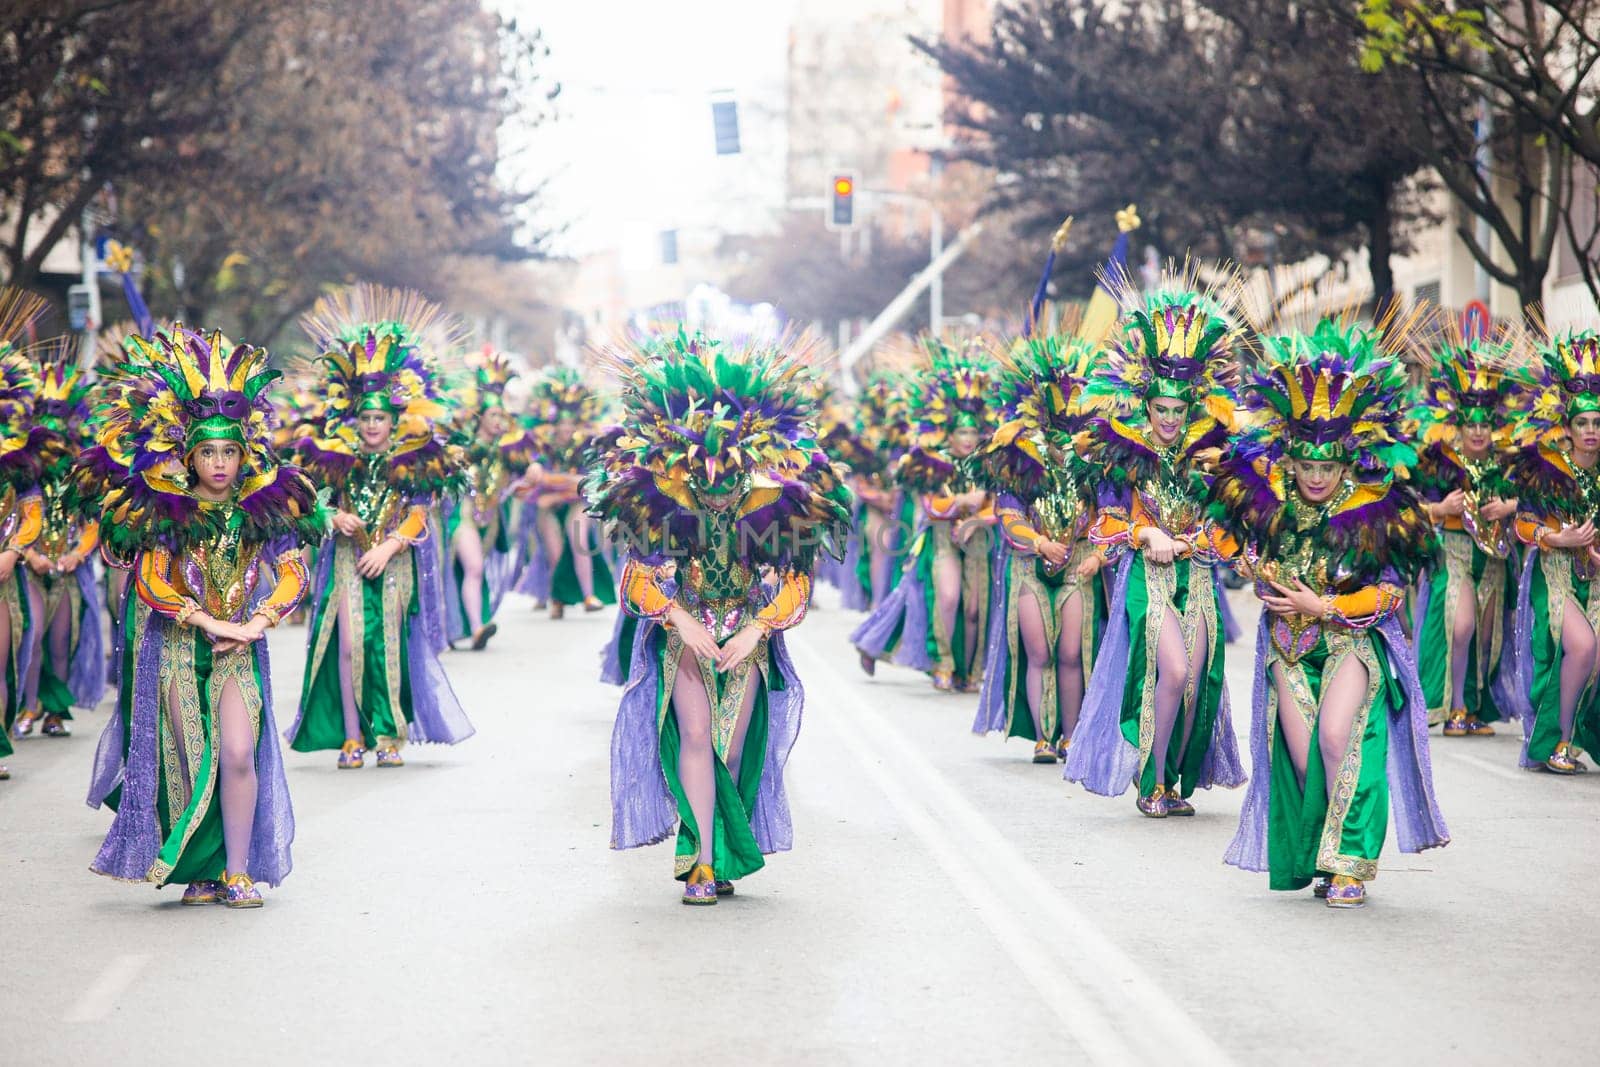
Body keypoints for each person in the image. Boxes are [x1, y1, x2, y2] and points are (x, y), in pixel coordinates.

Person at [592, 330, 851, 905]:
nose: (714, 480)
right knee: (696, 735)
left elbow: (794, 581)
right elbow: (636, 577)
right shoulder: (663, 498)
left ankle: (720, 843)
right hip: (685, 631)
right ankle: (703, 862)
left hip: (744, 632)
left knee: (730, 748)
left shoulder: (771, 500)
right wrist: (678, 621)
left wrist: (758, 627)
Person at [83, 325, 325, 907]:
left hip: (241, 646)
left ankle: (238, 871)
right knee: (191, 761)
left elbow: (294, 572)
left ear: (245, 454)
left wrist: (255, 623)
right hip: (177, 647)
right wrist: (210, 623)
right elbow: (151, 580)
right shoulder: (163, 509)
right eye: (208, 451)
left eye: (230, 451)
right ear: (189, 455)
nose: (219, 462)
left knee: (239, 752)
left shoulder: (264, 507)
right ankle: (204, 869)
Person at [1213, 318, 1448, 909]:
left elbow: (1391, 594)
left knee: (1339, 737)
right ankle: (1322, 854)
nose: (1316, 477)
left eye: (1329, 466)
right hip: (1288, 646)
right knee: (1302, 762)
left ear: (1348, 463)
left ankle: (1351, 865)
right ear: (1290, 459)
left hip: (1349, 641)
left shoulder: (1377, 509)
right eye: (1306, 465)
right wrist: (1253, 568)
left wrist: (1325, 605)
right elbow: (1225, 538)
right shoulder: (1266, 499)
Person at [1062, 276, 1247, 816]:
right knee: (1174, 671)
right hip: (1149, 577)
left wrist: (1207, 539)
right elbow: (1105, 524)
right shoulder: (1121, 449)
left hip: (1199, 578)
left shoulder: (1212, 450)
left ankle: (1172, 779)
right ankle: (1148, 778)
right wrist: (1146, 533)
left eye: (1179, 409)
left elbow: (1233, 519)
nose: (1169, 420)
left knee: (1197, 685)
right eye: (1160, 409)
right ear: (1146, 404)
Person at [286, 286, 474, 770]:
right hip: (348, 558)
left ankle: (390, 733)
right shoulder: (334, 460)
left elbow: (419, 511)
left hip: (394, 562)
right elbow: (310, 503)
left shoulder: (413, 460)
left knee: (387, 643)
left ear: (394, 420)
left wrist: (389, 547)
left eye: (380, 418)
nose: (372, 426)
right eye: (365, 417)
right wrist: (333, 517)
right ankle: (352, 736)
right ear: (354, 418)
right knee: (348, 644)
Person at [973, 333, 1107, 762]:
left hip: (1078, 561)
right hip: (1029, 563)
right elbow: (1008, 515)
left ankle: (1070, 735)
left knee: (1071, 652)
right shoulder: (1018, 454)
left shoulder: (1096, 457)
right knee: (1039, 651)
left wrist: (1097, 554)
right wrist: (1040, 542)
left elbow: (1112, 513)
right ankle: (1042, 738)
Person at [851, 342, 998, 692]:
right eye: (961, 431)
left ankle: (971, 671)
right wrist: (967, 500)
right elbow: (933, 507)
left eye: (972, 431)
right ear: (948, 431)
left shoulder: (990, 459)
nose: (967, 438)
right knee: (943, 597)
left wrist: (979, 519)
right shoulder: (930, 460)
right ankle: (941, 662)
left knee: (975, 608)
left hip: (978, 540)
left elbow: (999, 505)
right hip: (940, 538)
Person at [1410, 334, 1523, 736]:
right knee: (1461, 627)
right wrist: (1441, 510)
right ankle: (1454, 706)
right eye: (1469, 424)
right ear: (1456, 425)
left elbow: (1535, 502)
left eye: (1485, 425)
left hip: (1494, 558)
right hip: (1453, 553)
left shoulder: (1510, 461)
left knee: (1487, 638)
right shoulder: (1438, 459)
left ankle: (1473, 708)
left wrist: (1509, 507)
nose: (1478, 432)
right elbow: (1406, 506)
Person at [1507, 327, 1600, 774]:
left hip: (1594, 578)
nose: (1590, 431)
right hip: (1554, 575)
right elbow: (1522, 525)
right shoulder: (1548, 469)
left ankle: (1577, 735)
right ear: (1567, 427)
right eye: (1582, 423)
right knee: (1581, 647)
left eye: (1598, 422)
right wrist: (1558, 539)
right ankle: (1558, 741)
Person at [11, 346, 106, 741]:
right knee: (30, 637)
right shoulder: (21, 474)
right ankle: (27, 705)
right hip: (29, 568)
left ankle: (54, 710)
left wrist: (74, 556)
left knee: (61, 641)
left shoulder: (80, 477)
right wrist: (29, 554)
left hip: (67, 571)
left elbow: (93, 523)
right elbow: (15, 518)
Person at [444, 352, 531, 650]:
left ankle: (458, 627)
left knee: (470, 572)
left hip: (489, 522)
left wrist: (524, 480)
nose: (499, 422)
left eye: (502, 416)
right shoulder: (464, 447)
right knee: (475, 568)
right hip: (463, 518)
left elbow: (526, 477)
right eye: (494, 416)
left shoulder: (506, 451)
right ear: (481, 417)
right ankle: (478, 627)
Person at [518, 366, 614, 619]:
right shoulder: (541, 446)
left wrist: (554, 488)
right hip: (547, 508)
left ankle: (588, 595)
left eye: (571, 424)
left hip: (573, 503)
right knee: (555, 551)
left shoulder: (586, 446)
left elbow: (588, 482)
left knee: (579, 539)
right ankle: (557, 598)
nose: (565, 429)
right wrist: (554, 482)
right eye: (561, 424)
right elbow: (535, 481)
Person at [0, 292, 49, 780]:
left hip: (6, 570)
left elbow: (30, 509)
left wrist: (15, 550)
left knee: (4, 654)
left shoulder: (16, 457)